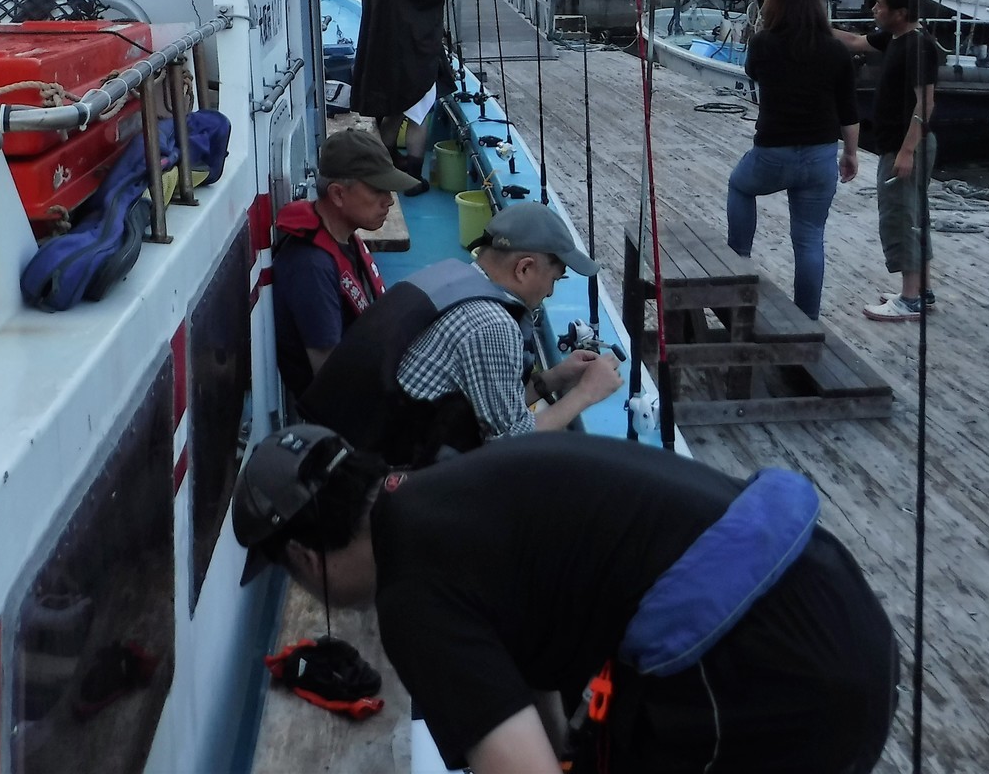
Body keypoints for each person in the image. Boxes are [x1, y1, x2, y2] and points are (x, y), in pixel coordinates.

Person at [233, 428, 898, 774]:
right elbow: (531, 685)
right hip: (832, 603)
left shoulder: (412, 593)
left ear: (305, 559)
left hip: (769, 678)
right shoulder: (449, 494)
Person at [300, 202, 622, 466]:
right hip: (377, 474)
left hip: (355, 443)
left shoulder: (451, 275)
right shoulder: (491, 324)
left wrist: (554, 378)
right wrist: (587, 392)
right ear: (524, 268)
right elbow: (512, 443)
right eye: (555, 278)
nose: (551, 292)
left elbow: (484, 400)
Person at [724, 0, 860, 319]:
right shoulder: (835, 49)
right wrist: (851, 153)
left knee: (740, 186)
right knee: (810, 238)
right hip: (820, 155)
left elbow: (753, 74)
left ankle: (737, 259)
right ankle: (807, 320)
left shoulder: (764, 43)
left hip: (773, 152)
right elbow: (848, 110)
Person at [272, 129, 420, 399]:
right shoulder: (311, 267)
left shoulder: (343, 238)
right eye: (378, 190)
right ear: (338, 194)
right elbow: (332, 379)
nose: (388, 200)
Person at [834, 0, 940, 322]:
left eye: (880, 4)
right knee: (913, 214)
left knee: (900, 218)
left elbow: (925, 104)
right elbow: (852, 40)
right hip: (897, 146)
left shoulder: (918, 46)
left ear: (902, 11)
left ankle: (909, 299)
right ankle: (921, 290)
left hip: (905, 147)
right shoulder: (895, 37)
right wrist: (809, 24)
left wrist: (908, 150)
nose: (874, 9)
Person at [350, 0, 445, 186]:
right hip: (407, 53)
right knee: (419, 111)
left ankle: (388, 164)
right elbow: (432, 0)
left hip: (383, 47)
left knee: (393, 111)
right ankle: (413, 177)